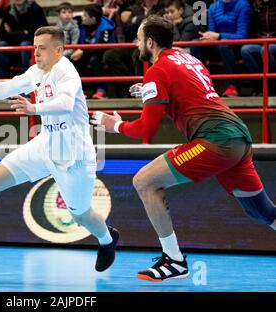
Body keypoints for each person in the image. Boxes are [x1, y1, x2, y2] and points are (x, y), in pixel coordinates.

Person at [92, 15, 276, 282]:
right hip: (237, 136)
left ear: (150, 42)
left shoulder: (156, 70)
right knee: (262, 212)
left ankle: (174, 260)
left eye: (139, 38)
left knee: (144, 181)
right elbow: (189, 94)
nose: (136, 43)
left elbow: (146, 129)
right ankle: (174, 260)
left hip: (216, 141)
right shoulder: (190, 59)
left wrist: (115, 125)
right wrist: (149, 91)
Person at [0, 26, 120, 272]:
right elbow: (5, 87)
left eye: (42, 48)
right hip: (46, 143)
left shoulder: (65, 70)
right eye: (35, 47)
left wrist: (34, 109)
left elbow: (66, 102)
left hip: (74, 155)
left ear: (59, 50)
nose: (36, 53)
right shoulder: (36, 71)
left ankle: (107, 239)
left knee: (81, 215)